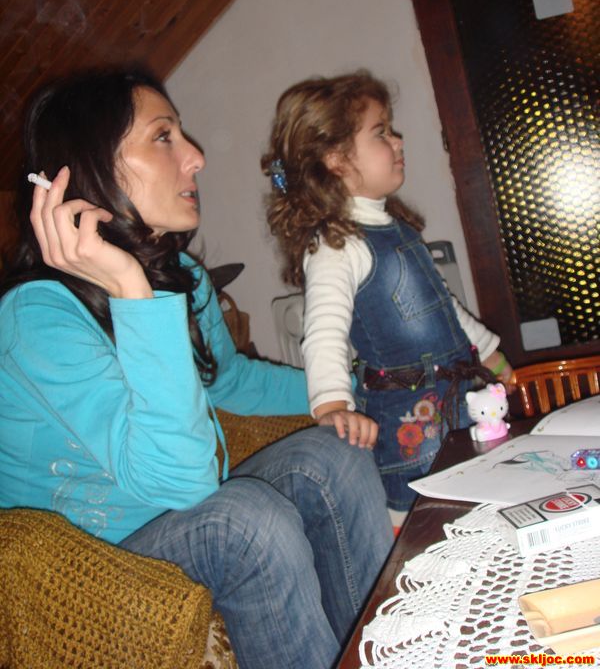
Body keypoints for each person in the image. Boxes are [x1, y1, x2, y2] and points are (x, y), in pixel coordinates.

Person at [0, 67, 394, 669]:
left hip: (179, 517)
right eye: (163, 137)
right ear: (91, 168)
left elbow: (229, 380)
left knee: (339, 449)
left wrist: (354, 393)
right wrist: (132, 291)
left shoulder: (181, 278)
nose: (196, 157)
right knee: (245, 523)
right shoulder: (37, 319)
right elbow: (185, 484)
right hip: (91, 564)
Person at [262, 71, 514, 515]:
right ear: (336, 159)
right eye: (381, 133)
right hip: (410, 426)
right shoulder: (337, 244)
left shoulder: (398, 229)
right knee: (425, 519)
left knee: (482, 503)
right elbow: (323, 332)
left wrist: (490, 353)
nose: (397, 141)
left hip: (459, 402)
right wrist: (332, 405)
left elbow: (444, 307)